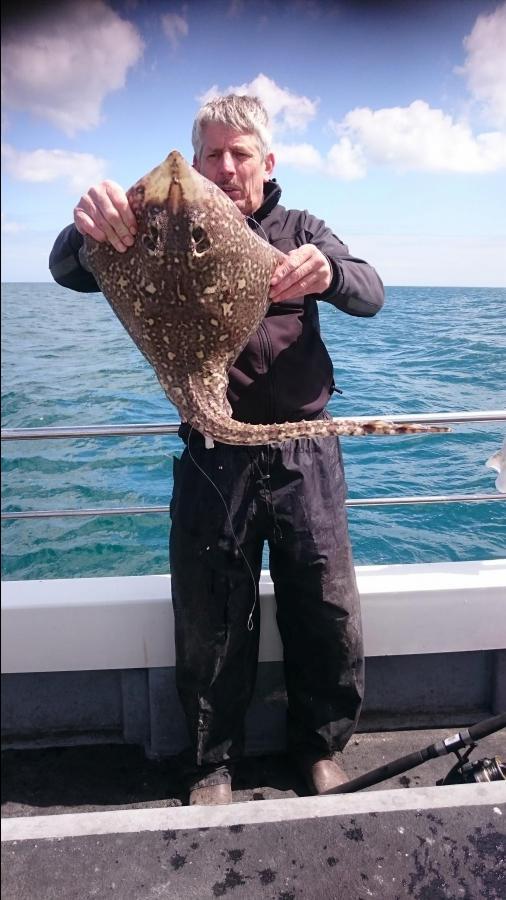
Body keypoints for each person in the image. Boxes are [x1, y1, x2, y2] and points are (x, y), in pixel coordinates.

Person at [49, 94, 385, 806]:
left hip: (304, 454)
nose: (226, 168)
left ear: (268, 161)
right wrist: (88, 228)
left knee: (326, 608)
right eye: (213, 155)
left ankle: (321, 748)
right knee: (211, 619)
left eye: (241, 154)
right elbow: (69, 267)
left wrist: (327, 270)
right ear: (196, 162)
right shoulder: (148, 221)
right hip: (211, 453)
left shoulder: (300, 229)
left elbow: (369, 290)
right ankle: (211, 764)